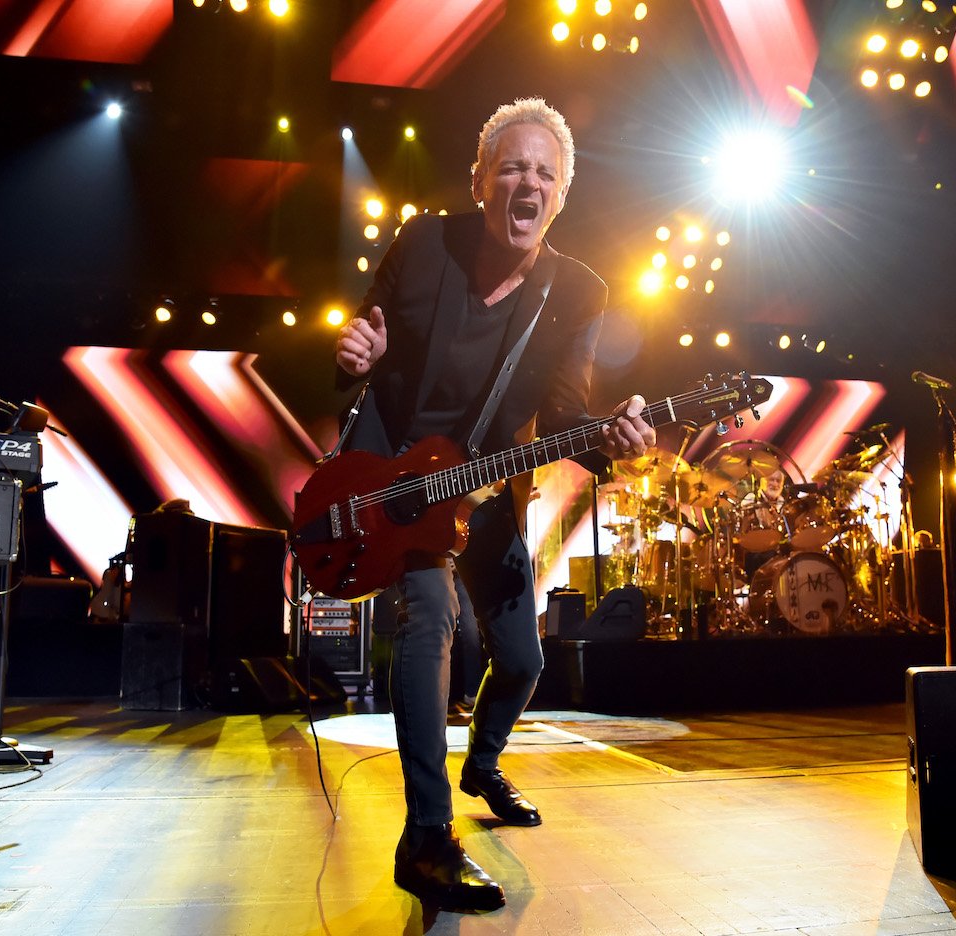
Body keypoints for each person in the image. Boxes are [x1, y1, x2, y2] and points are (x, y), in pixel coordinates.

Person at [333, 97, 655, 913]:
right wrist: (353, 355)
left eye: (545, 173)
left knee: (523, 660)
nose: (528, 182)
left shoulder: (577, 292)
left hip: (480, 488)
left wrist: (610, 437)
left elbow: (569, 410)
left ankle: (482, 765)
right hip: (394, 484)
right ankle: (426, 838)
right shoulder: (423, 242)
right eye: (512, 166)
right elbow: (357, 349)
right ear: (480, 182)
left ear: (562, 197)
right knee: (433, 618)